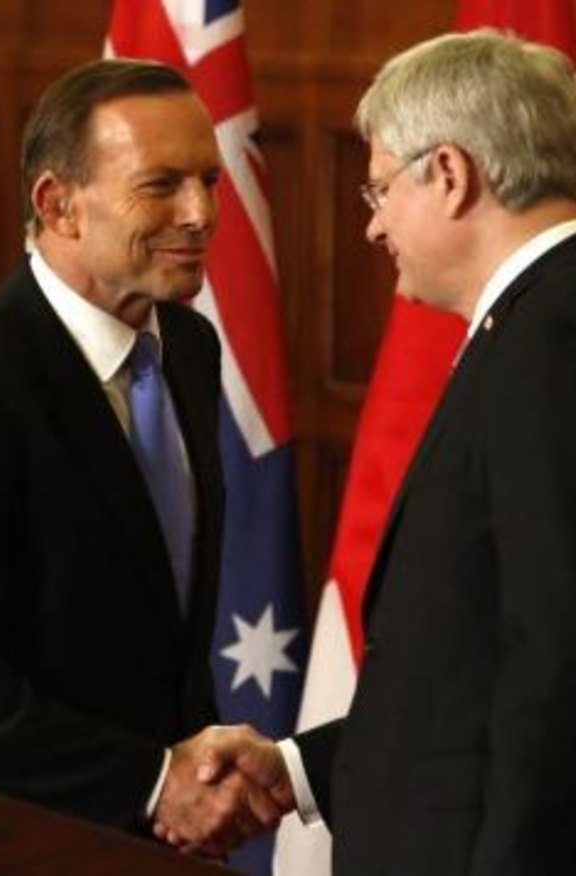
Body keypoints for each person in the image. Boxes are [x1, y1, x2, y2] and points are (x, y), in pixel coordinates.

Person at [182, 28, 576, 875]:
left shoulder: (551, 340)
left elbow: (554, 661)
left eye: (378, 189)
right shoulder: (529, 328)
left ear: (450, 173)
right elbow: (463, 670)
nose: (371, 227)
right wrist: (298, 767)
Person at [0, 58, 282, 854]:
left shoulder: (189, 346)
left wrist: (195, 786)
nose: (200, 213)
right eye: (161, 185)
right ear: (58, 204)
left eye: (210, 181)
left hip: (168, 845)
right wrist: (154, 783)